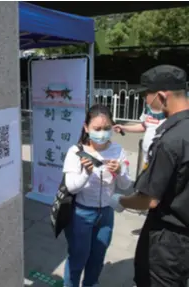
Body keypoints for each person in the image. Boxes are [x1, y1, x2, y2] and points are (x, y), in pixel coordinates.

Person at [109, 65, 189, 287]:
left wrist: (120, 200)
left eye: (147, 95)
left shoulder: (170, 141)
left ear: (162, 96)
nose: (146, 101)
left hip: (169, 239)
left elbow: (149, 199)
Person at [62, 104, 132, 287]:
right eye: (97, 129)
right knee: (78, 258)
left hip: (106, 214)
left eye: (107, 128)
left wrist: (121, 171)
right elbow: (71, 187)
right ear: (86, 128)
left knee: (97, 258)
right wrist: (85, 172)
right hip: (81, 215)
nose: (102, 133)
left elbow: (126, 185)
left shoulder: (118, 151)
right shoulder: (76, 152)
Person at [114, 92, 166, 168]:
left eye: (146, 95)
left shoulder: (170, 111)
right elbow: (144, 126)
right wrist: (124, 128)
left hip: (161, 161)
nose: (144, 98)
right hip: (147, 159)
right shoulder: (147, 110)